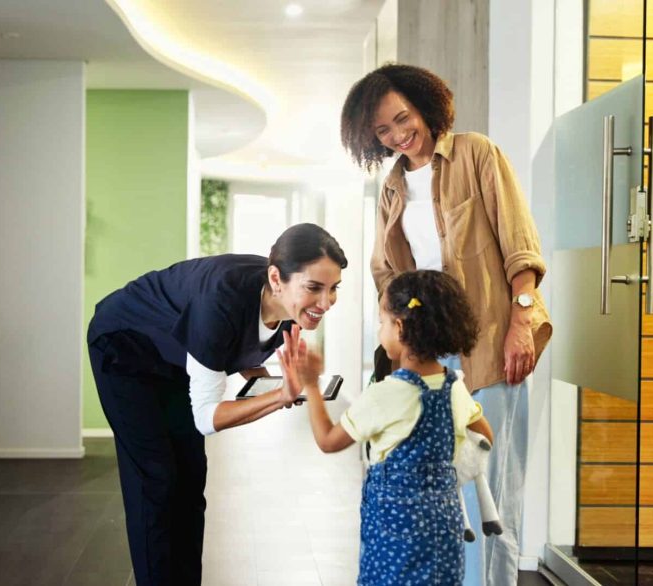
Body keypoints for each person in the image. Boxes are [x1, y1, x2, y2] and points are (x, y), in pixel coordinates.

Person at [341, 63, 552, 585]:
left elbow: (518, 242)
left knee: (492, 495)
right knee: (441, 497)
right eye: (382, 131)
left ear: (425, 106)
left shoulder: (477, 153)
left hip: (491, 347)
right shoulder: (392, 186)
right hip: (431, 357)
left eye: (402, 118)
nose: (397, 134)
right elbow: (386, 273)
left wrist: (521, 324)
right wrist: (394, 352)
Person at [86, 223, 347, 586]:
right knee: (156, 481)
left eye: (334, 289)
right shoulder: (221, 300)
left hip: (174, 357)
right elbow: (207, 417)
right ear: (276, 278)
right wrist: (280, 395)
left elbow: (239, 346)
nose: (325, 303)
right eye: (314, 288)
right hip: (124, 348)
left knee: (191, 479)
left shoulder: (287, 306)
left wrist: (271, 381)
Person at [279, 270, 493, 585]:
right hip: (444, 526)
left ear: (400, 327)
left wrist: (311, 385)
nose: (380, 330)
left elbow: (328, 440)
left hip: (396, 532)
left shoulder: (387, 394)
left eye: (382, 322)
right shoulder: (455, 387)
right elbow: (485, 436)